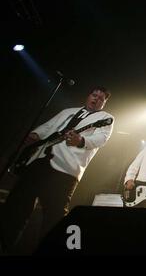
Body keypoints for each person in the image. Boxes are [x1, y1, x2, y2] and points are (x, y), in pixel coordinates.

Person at [0, 87, 114, 253]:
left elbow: (101, 139)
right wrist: (34, 135)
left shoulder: (105, 118)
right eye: (94, 95)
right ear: (88, 95)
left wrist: (81, 140)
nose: (96, 99)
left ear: (104, 103)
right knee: (16, 205)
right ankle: (4, 245)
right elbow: (48, 127)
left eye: (101, 98)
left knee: (54, 216)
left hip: (66, 169)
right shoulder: (68, 111)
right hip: (39, 161)